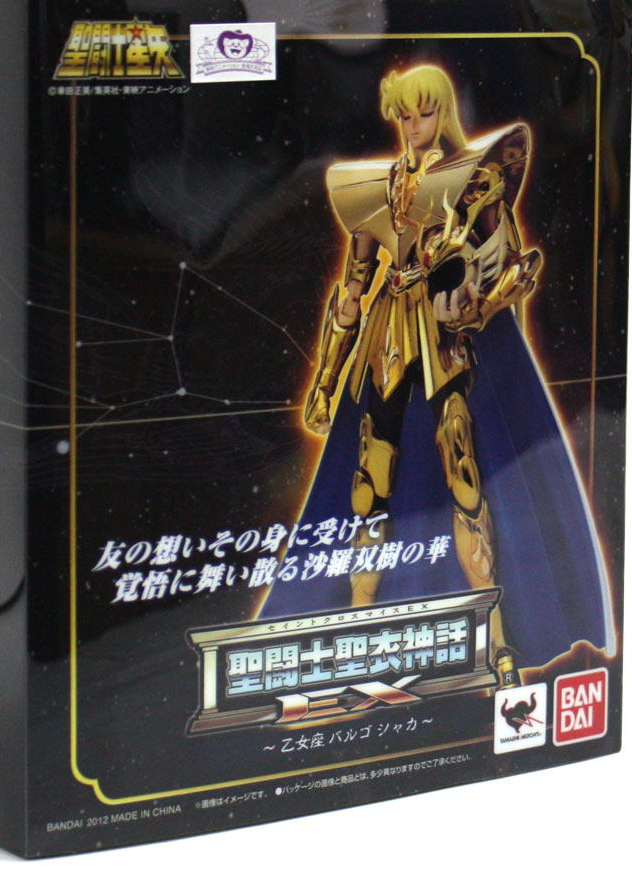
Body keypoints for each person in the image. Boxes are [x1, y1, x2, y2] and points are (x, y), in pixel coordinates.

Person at [261, 65, 613, 687]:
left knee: (465, 476)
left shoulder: (472, 181)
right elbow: (353, 289)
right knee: (369, 485)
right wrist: (327, 376)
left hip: (447, 338)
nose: (413, 124)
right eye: (404, 114)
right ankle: (361, 626)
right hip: (387, 337)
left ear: (442, 111)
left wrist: (484, 301)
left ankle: (494, 639)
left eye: (423, 112)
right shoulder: (374, 189)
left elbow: (507, 267)